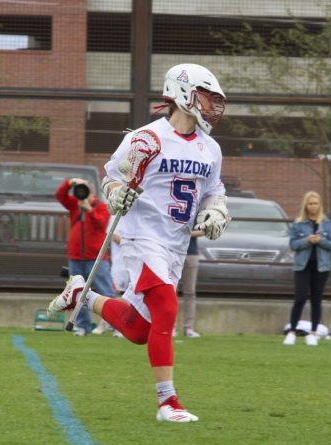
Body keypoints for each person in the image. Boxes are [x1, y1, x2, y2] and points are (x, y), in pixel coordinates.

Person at [48, 63, 229, 422]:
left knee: (139, 330)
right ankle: (168, 402)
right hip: (141, 235)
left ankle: (81, 294)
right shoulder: (146, 138)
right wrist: (115, 195)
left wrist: (217, 212)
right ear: (180, 93)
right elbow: (111, 178)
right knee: (166, 307)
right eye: (204, 95)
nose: (210, 104)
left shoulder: (210, 149)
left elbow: (214, 191)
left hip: (175, 244)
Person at [55, 178, 116, 336]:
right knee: (77, 293)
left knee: (106, 291)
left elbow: (102, 224)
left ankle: (115, 325)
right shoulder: (75, 205)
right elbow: (60, 195)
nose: (82, 192)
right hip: (76, 257)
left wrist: (89, 209)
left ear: (92, 192)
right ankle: (83, 326)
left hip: (96, 258)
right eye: (80, 189)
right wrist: (70, 183)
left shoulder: (101, 207)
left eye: (85, 189)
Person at [283, 191, 331, 346]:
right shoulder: (298, 223)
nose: (313, 206)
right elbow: (293, 245)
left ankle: (313, 333)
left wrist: (320, 240)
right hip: (302, 266)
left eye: (316, 203)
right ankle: (292, 331)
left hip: (321, 267)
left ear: (320, 205)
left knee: (316, 300)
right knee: (300, 298)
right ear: (306, 205)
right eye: (310, 203)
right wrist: (307, 240)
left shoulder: (326, 223)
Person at [177, 231, 204, 338]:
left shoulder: (196, 213)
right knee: (170, 291)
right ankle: (170, 327)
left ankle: (189, 328)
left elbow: (203, 231)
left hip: (191, 253)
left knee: (190, 292)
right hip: (173, 252)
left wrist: (185, 233)